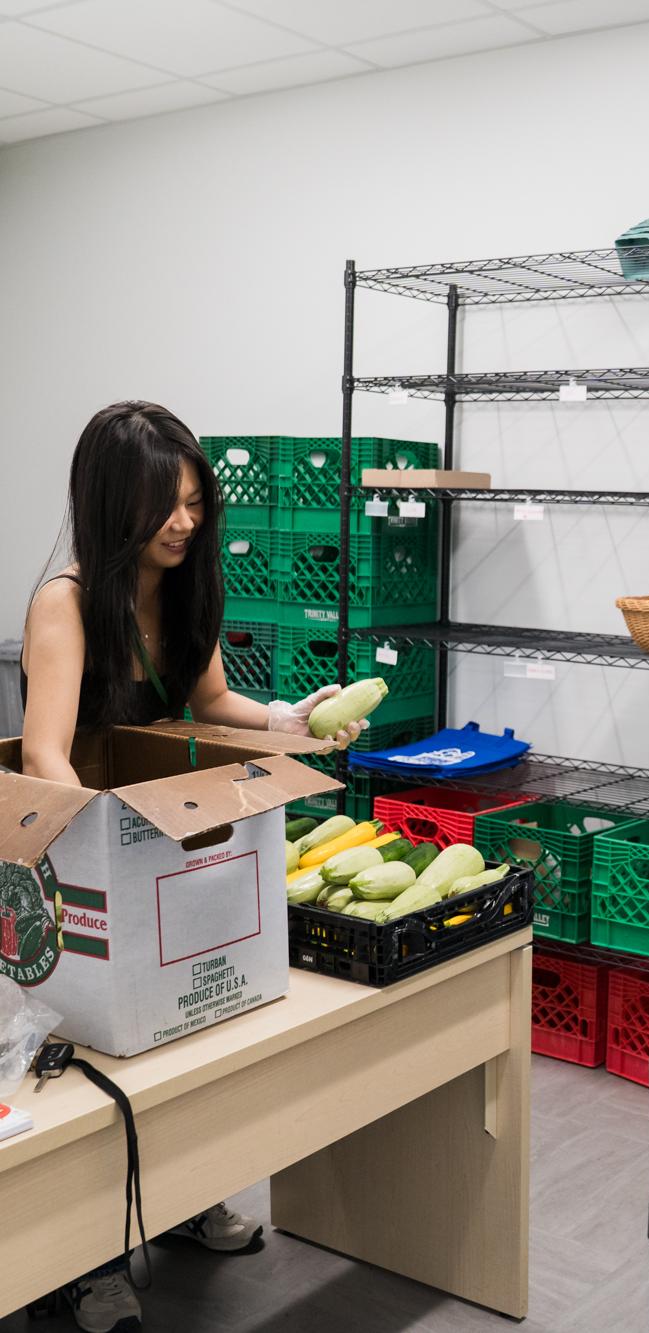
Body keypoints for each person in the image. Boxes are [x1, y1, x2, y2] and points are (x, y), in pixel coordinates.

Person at [22, 402, 370, 1333]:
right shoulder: (65, 602)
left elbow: (213, 701)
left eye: (192, 501)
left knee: (188, 1037)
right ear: (111, 505)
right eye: (162, 505)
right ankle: (77, 1258)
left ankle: (175, 1200)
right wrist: (108, 839)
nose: (183, 522)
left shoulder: (182, 588)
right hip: (90, 854)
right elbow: (50, 755)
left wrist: (294, 717)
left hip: (164, 844)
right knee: (101, 1054)